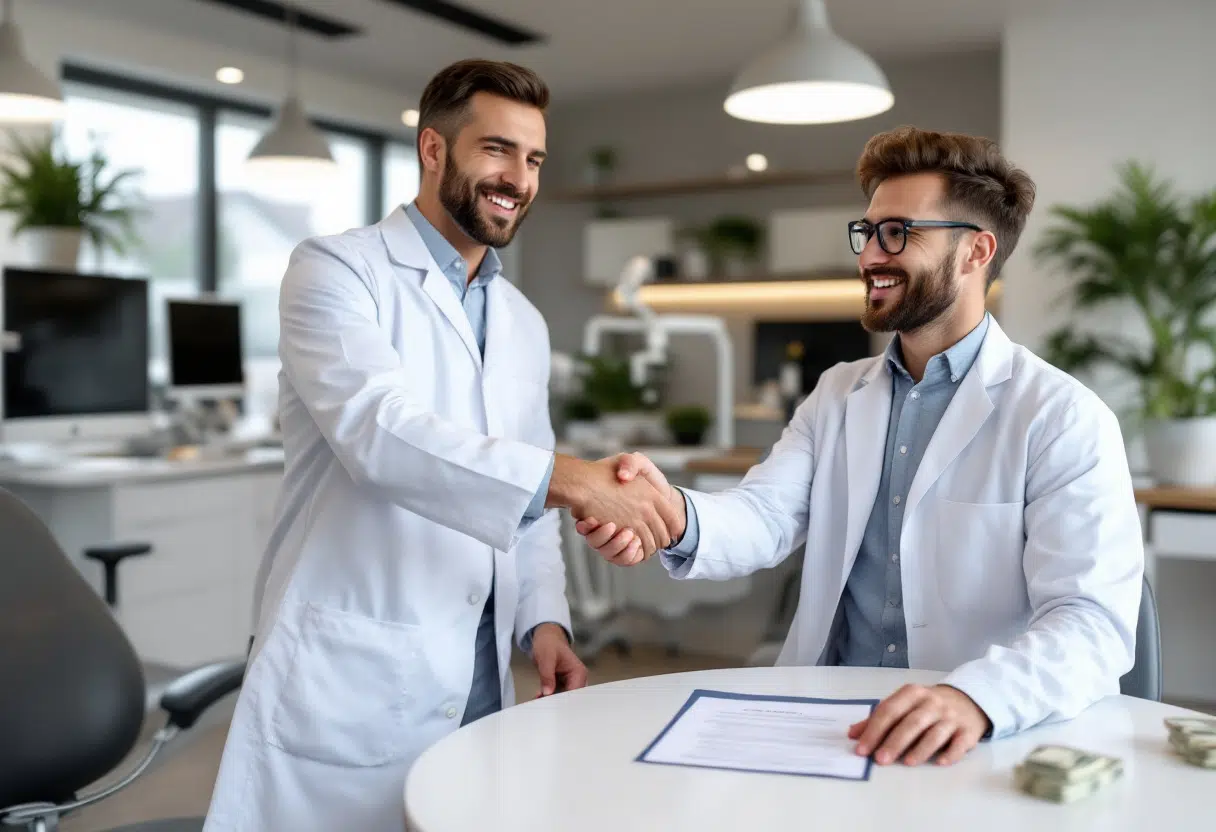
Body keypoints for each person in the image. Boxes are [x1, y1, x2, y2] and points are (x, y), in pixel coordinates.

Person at [202, 59, 679, 832]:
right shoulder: (335, 271)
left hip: (482, 674)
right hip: (354, 671)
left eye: (533, 160)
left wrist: (545, 621)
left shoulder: (522, 321)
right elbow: (382, 434)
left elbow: (529, 505)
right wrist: (578, 481)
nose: (518, 178)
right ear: (433, 150)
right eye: (497, 150)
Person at [578, 126, 1144, 768]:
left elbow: (1090, 620)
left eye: (898, 232)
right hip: (828, 722)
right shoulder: (838, 393)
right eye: (868, 231)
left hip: (976, 728)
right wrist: (670, 515)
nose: (870, 254)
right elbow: (766, 516)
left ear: (975, 252)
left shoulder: (1061, 415)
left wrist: (972, 698)